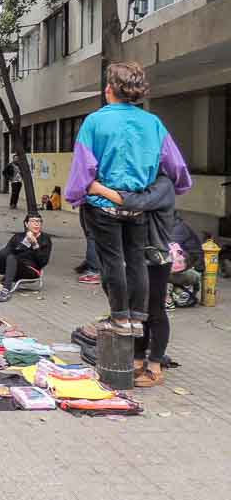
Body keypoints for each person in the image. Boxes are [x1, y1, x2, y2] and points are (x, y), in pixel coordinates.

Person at [64, 62, 191, 335]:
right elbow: (176, 166)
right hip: (137, 206)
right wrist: (178, 188)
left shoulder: (95, 121)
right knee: (135, 260)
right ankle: (136, 318)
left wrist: (76, 195)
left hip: (102, 205)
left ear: (109, 89)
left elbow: (83, 167)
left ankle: (119, 317)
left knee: (112, 261)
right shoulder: (153, 123)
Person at [88, 175, 175, 387]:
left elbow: (137, 202)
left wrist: (99, 189)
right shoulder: (141, 180)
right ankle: (137, 359)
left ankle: (155, 366)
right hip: (136, 260)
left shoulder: (163, 184)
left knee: (154, 311)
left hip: (156, 258)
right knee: (138, 313)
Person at [0, 213, 52, 302]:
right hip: (11, 267)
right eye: (33, 221)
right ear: (26, 224)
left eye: (39, 221)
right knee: (4, 252)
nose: (36, 224)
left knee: (12, 258)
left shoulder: (45, 239)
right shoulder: (18, 237)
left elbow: (43, 262)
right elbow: (5, 253)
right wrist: (26, 242)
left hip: (31, 270)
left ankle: (6, 290)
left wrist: (35, 245)